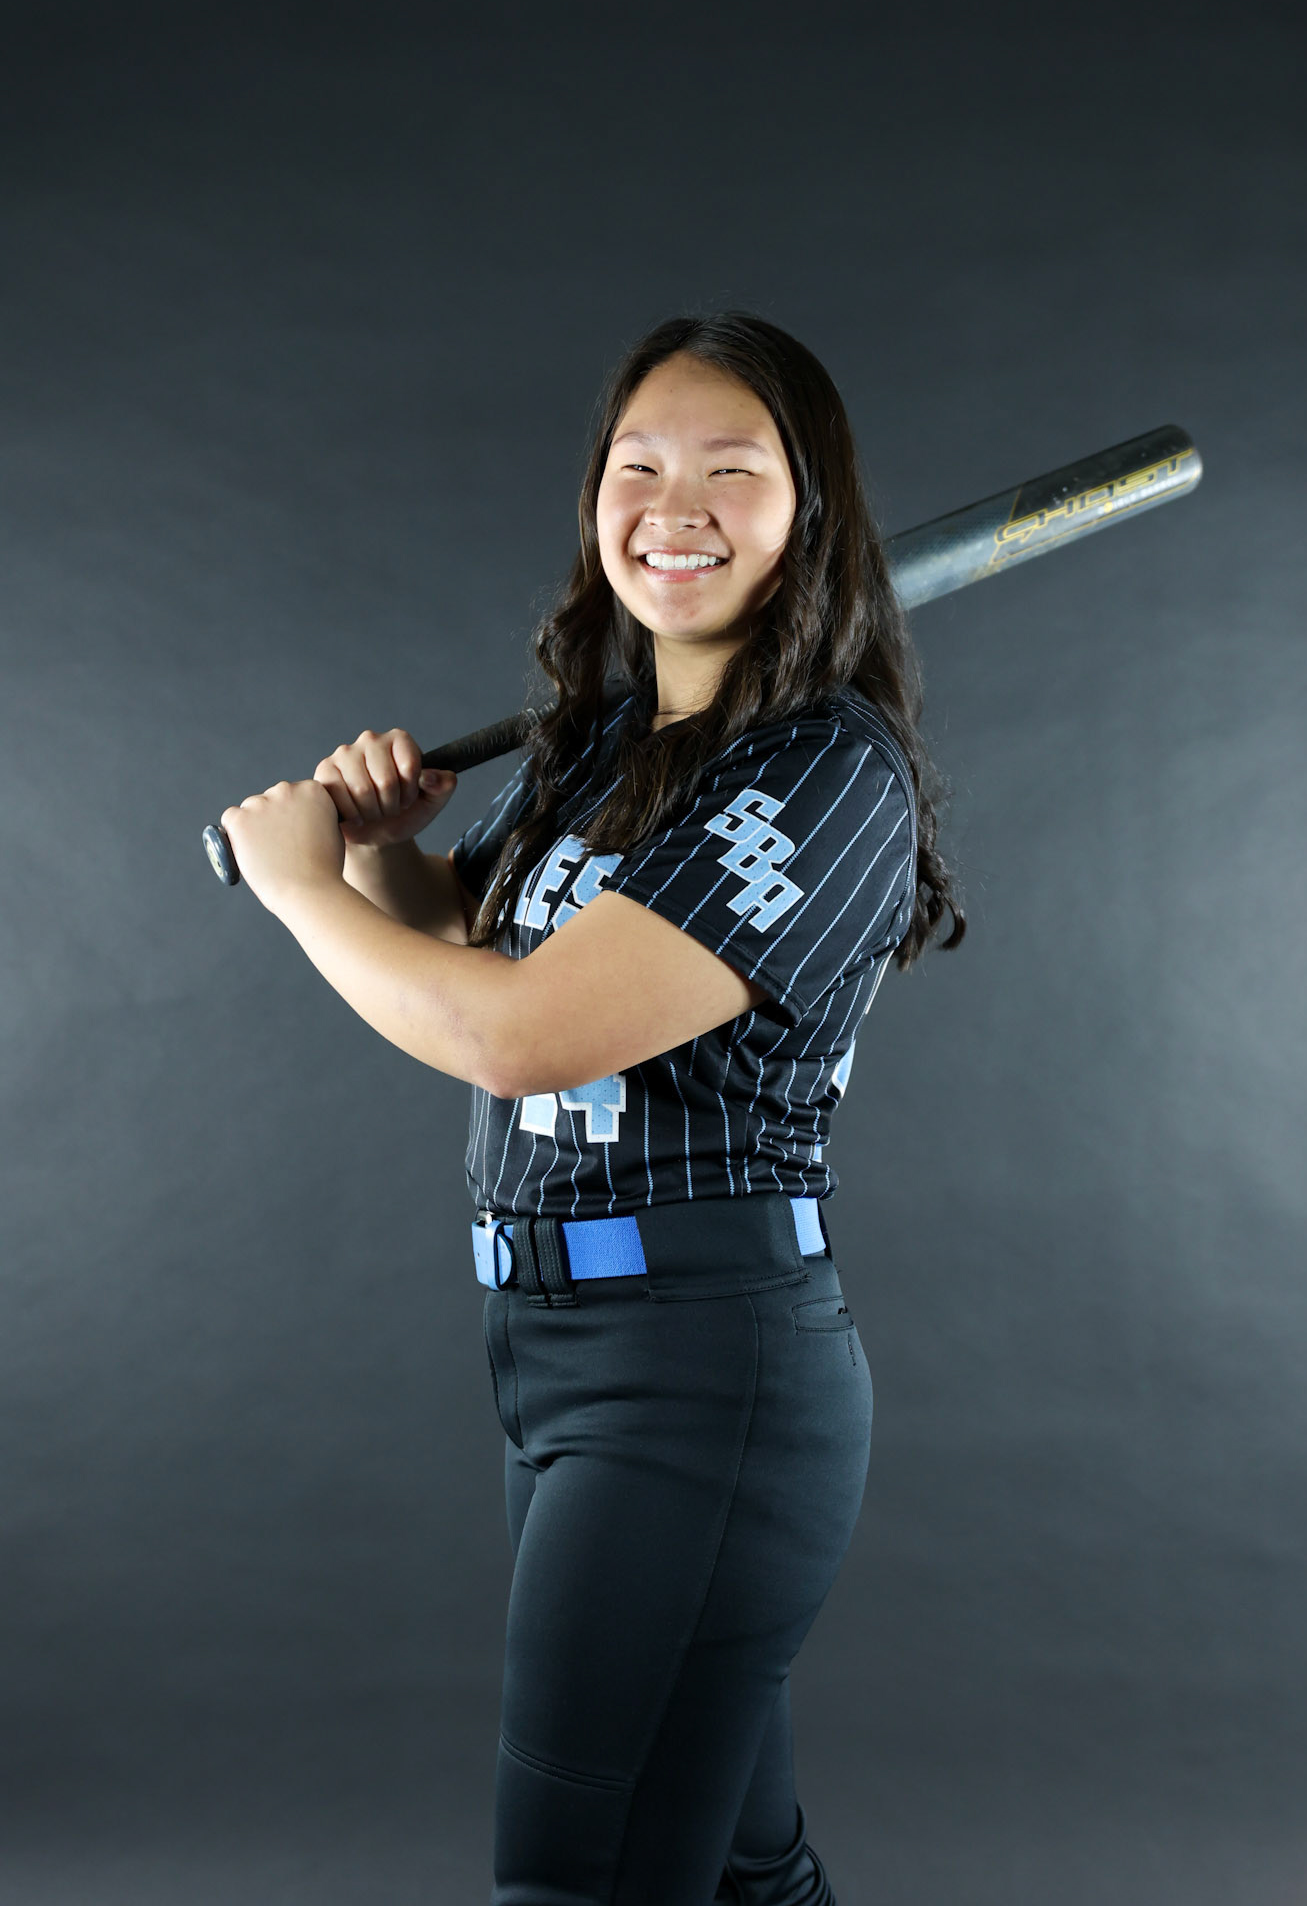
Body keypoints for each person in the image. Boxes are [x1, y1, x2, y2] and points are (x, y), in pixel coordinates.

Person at [220, 310, 964, 1904]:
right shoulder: (611, 742)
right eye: (637, 465)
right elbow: (457, 956)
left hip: (699, 1373)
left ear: (807, 514)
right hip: (559, 1365)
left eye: (729, 468)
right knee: (738, 1874)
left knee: (586, 1881)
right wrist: (375, 854)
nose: (670, 503)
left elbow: (521, 1037)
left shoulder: (818, 772)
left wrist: (296, 899)